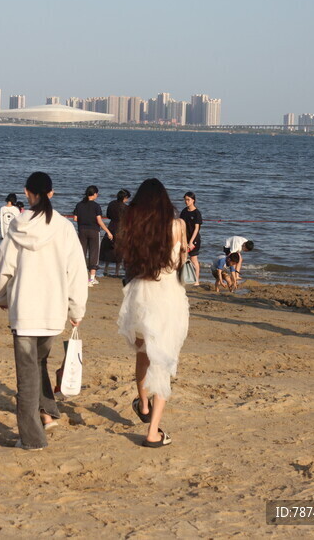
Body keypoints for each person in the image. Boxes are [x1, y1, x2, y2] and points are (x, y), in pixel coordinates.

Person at [0, 172, 87, 451]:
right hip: (52, 312)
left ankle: (32, 439)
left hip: (24, 312)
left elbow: (3, 266)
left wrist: (0, 296)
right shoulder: (65, 228)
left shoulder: (18, 226)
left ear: (27, 193)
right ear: (51, 193)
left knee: (27, 376)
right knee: (38, 364)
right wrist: (76, 308)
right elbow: (76, 272)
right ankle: (48, 413)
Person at [116, 178, 190, 447]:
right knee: (164, 358)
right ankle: (153, 431)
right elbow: (180, 262)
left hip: (140, 293)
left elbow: (128, 261)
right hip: (168, 295)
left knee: (143, 351)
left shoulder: (135, 226)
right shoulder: (178, 226)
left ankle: (143, 405)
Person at [74, 185, 112, 286]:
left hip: (82, 230)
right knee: (94, 254)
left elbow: (75, 219)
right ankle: (91, 279)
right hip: (94, 231)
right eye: (97, 193)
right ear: (94, 194)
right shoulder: (96, 206)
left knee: (82, 253)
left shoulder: (79, 205)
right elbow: (99, 220)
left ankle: (80, 277)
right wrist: (108, 231)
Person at [101, 189, 130, 277]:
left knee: (108, 247)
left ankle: (106, 269)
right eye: (127, 198)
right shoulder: (126, 208)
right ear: (124, 198)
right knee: (119, 250)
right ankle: (117, 272)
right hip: (121, 228)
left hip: (111, 226)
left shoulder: (111, 204)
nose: (127, 200)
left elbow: (108, 215)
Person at [179, 191, 203, 284]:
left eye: (188, 200)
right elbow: (181, 224)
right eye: (185, 200)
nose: (186, 201)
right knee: (182, 258)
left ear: (193, 200)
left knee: (193, 259)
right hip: (184, 238)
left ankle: (196, 280)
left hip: (194, 239)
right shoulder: (184, 211)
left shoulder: (197, 213)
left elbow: (197, 229)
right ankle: (183, 278)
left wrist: (191, 242)